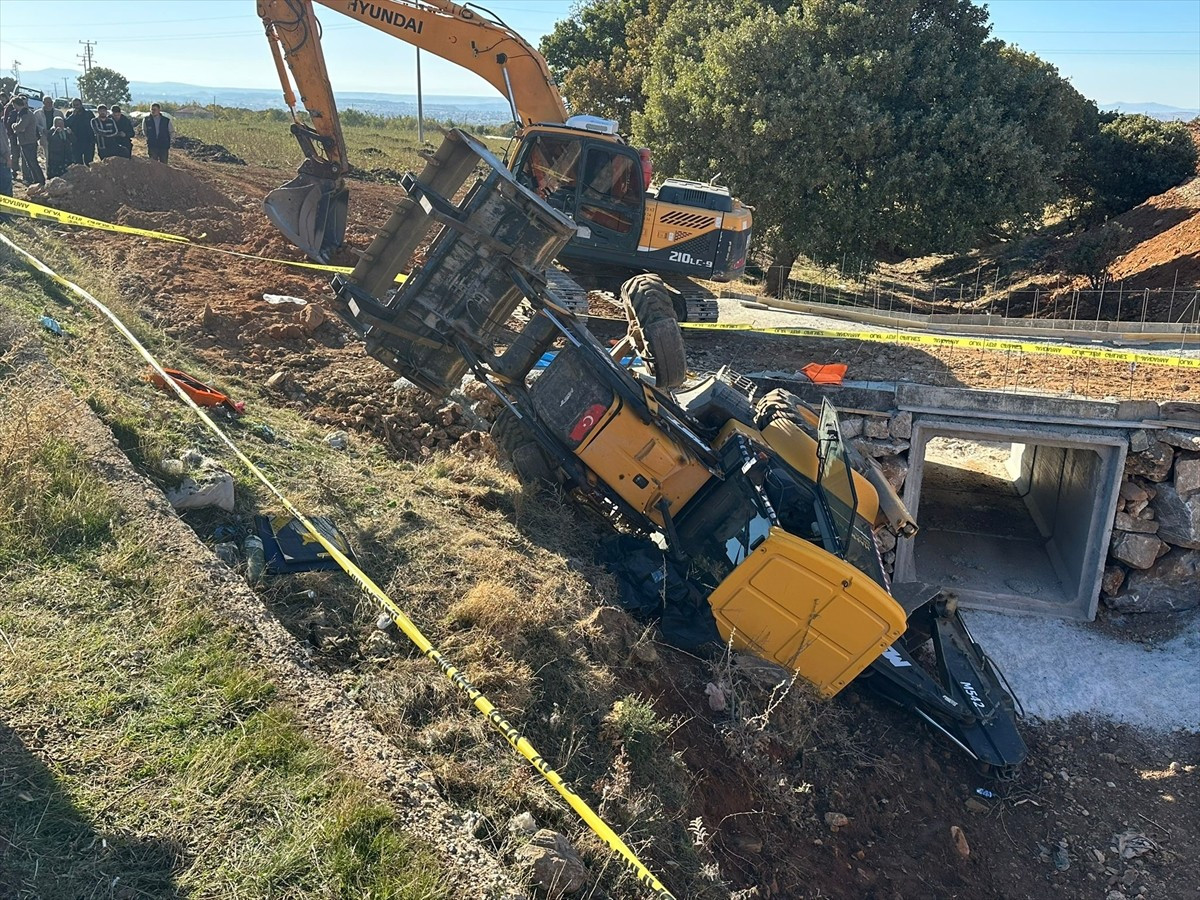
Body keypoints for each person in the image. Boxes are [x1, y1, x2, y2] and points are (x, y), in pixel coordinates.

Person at [10, 96, 44, 185]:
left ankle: (40, 180)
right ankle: (36, 180)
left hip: (29, 141)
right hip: (25, 141)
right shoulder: (22, 113)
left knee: (33, 162)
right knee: (29, 163)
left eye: (14, 105)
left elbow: (21, 127)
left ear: (16, 104)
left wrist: (14, 125)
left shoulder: (25, 114)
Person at [64, 98, 95, 165]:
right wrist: (73, 115)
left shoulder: (88, 113)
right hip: (76, 142)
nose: (76, 107)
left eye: (77, 105)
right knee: (78, 163)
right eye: (74, 105)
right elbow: (66, 124)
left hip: (88, 141)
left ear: (81, 104)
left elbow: (94, 124)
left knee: (89, 162)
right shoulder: (69, 113)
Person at [34, 96, 57, 165]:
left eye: (51, 102)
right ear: (43, 103)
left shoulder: (57, 112)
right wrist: (42, 129)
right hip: (44, 136)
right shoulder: (37, 113)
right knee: (47, 155)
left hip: (56, 136)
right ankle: (48, 171)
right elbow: (35, 124)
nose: (49, 104)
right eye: (47, 102)